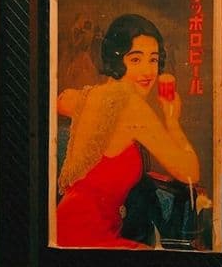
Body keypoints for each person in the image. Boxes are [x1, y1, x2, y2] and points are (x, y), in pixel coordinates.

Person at [56, 13, 200, 247]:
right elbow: (190, 173)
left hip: (64, 224)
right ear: (117, 58)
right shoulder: (132, 106)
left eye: (153, 60)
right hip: (86, 235)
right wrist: (172, 120)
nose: (147, 71)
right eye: (135, 60)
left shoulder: (86, 95)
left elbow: (62, 102)